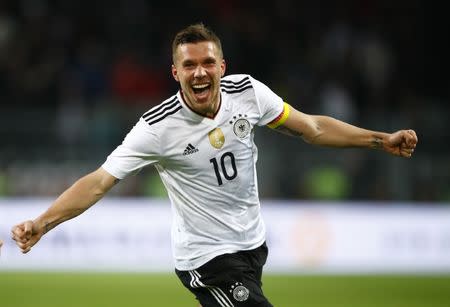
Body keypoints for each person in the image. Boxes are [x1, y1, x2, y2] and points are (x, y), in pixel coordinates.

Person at [11, 23, 418, 306]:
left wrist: (380, 140)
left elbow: (310, 128)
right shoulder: (156, 128)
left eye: (208, 63)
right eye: (189, 65)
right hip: (206, 259)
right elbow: (99, 181)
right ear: (176, 73)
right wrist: (43, 223)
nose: (199, 72)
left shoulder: (248, 93)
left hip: (253, 246)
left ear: (222, 66)